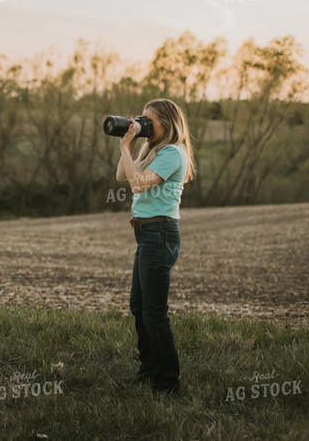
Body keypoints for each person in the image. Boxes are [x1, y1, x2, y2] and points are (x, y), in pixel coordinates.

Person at [115, 98, 196, 395]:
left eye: (149, 120)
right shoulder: (152, 149)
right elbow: (121, 176)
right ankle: (149, 368)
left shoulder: (173, 153)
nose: (143, 124)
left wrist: (126, 146)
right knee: (138, 306)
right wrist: (132, 143)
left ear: (168, 123)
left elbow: (137, 185)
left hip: (160, 234)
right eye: (141, 119)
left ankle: (167, 381)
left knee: (154, 312)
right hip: (147, 235)